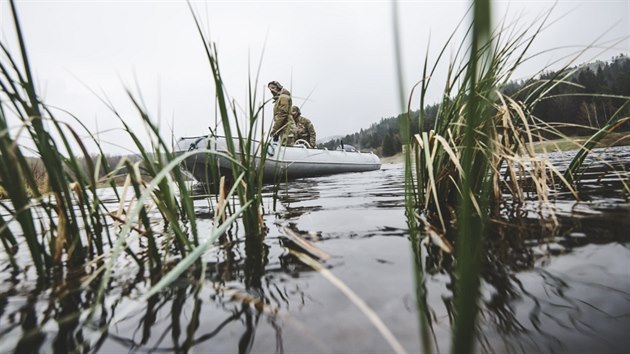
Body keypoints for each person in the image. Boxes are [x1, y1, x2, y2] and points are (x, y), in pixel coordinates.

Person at [268, 81, 295, 145]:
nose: (271, 90)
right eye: (270, 89)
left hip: (287, 130)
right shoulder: (279, 98)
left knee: (287, 151)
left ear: (278, 86)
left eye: (273, 87)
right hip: (283, 130)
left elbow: (282, 114)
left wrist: (274, 130)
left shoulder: (284, 96)